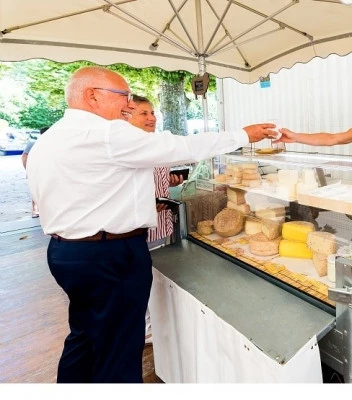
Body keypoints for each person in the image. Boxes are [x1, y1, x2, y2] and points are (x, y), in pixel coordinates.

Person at [25, 66, 275, 383]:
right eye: (124, 96)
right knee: (120, 345)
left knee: (85, 334)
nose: (129, 104)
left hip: (65, 252)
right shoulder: (106, 133)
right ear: (92, 96)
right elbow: (180, 147)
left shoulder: (51, 138)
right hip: (109, 254)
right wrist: (243, 135)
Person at [128, 94, 183, 346]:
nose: (151, 118)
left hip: (162, 225)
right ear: (127, 116)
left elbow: (159, 179)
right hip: (139, 230)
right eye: (144, 113)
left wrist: (171, 180)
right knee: (141, 282)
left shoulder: (156, 143)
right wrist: (146, 205)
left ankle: (156, 322)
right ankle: (146, 328)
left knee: (158, 279)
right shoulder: (127, 148)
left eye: (152, 113)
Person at [21, 126, 50, 217]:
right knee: (37, 188)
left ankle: (44, 209)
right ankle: (35, 209)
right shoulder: (34, 143)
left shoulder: (50, 143)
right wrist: (28, 170)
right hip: (36, 169)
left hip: (47, 169)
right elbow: (24, 156)